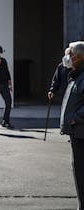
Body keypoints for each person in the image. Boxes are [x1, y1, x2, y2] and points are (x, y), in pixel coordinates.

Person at [60, 41, 84, 210]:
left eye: (69, 53)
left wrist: (75, 118)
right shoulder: (76, 74)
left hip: (81, 132)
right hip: (77, 133)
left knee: (81, 173)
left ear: (79, 57)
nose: (67, 56)